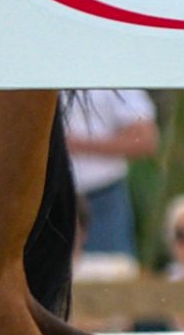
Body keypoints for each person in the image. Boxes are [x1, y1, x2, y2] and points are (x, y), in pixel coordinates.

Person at [63, 90, 158, 262]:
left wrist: (75, 144)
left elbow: (145, 138)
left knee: (112, 274)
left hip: (102, 198)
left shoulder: (113, 74)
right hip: (49, 198)